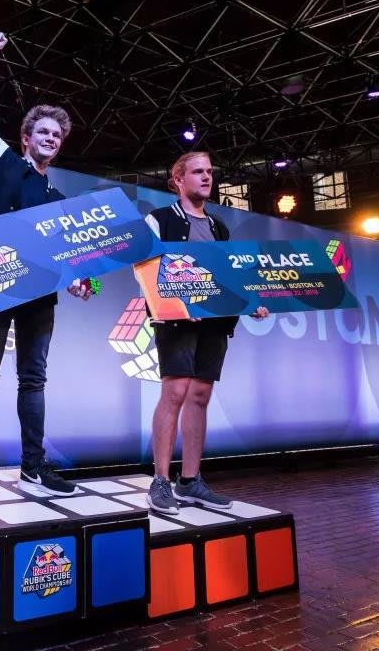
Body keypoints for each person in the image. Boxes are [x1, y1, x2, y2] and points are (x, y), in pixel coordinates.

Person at [0, 29, 92, 503]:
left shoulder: (58, 199)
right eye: (44, 132)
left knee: (34, 380)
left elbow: (66, 261)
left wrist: (81, 282)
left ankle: (33, 469)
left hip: (38, 297)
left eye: (57, 135)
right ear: (26, 138)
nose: (51, 138)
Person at [144, 151, 269, 515]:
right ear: (178, 179)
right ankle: (160, 482)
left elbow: (226, 279)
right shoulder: (159, 219)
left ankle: (190, 481)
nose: (206, 177)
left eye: (210, 171)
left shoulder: (218, 227)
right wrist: (179, 305)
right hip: (176, 321)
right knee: (175, 391)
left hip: (214, 323)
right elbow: (148, 270)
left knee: (200, 395)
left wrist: (249, 302)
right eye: (198, 171)